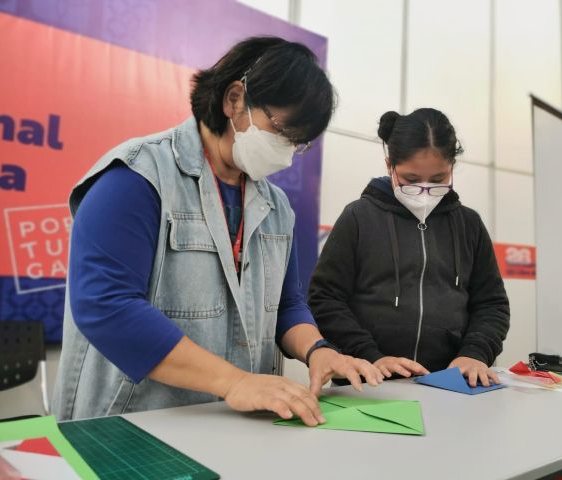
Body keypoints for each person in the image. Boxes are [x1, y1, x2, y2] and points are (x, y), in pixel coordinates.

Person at [52, 37, 383, 425]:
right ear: (234, 100)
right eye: (281, 130)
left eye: (298, 143)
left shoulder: (277, 208)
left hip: (232, 425)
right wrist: (235, 382)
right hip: (129, 423)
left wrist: (318, 350)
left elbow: (286, 306)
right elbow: (106, 306)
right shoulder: (137, 177)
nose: (287, 153)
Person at [308, 108, 510, 387]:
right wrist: (369, 356)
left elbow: (492, 304)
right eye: (411, 180)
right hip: (368, 383)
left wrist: (475, 353)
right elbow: (325, 299)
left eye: (438, 179)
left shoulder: (469, 225)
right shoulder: (358, 218)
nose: (425, 191)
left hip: (450, 385)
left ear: (452, 166)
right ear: (389, 164)